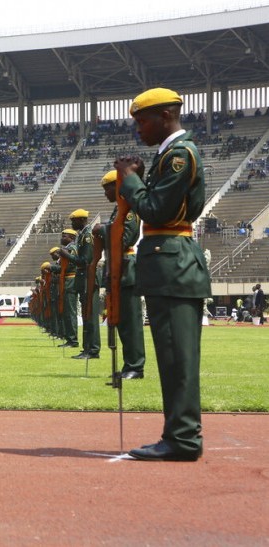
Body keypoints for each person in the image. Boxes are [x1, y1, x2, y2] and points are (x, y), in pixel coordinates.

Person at [115, 87, 211, 462]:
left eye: (143, 121)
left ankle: (184, 439)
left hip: (173, 264)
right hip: (169, 264)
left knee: (177, 360)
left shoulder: (178, 156)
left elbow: (156, 211)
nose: (138, 129)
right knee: (173, 358)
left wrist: (130, 179)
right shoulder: (168, 155)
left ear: (167, 115)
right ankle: (179, 435)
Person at [93, 170, 146, 379]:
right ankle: (128, 365)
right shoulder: (119, 210)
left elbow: (125, 238)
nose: (105, 193)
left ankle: (136, 366)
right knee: (122, 322)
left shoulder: (129, 209)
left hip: (126, 269)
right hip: (117, 269)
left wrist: (103, 230)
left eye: (107, 188)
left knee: (131, 322)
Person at [59, 209, 100, 359]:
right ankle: (87, 348)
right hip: (82, 277)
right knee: (85, 315)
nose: (72, 223)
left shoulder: (87, 237)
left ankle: (93, 349)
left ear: (81, 220)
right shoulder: (83, 235)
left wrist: (67, 256)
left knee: (90, 315)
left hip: (87, 276)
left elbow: (85, 261)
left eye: (73, 221)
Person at [56, 229, 79, 349]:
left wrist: (55, 267)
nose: (61, 238)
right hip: (66, 281)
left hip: (71, 280)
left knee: (70, 312)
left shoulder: (72, 248)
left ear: (71, 237)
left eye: (64, 236)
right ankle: (69, 338)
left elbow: (71, 264)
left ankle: (73, 340)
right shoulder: (67, 248)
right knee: (66, 313)